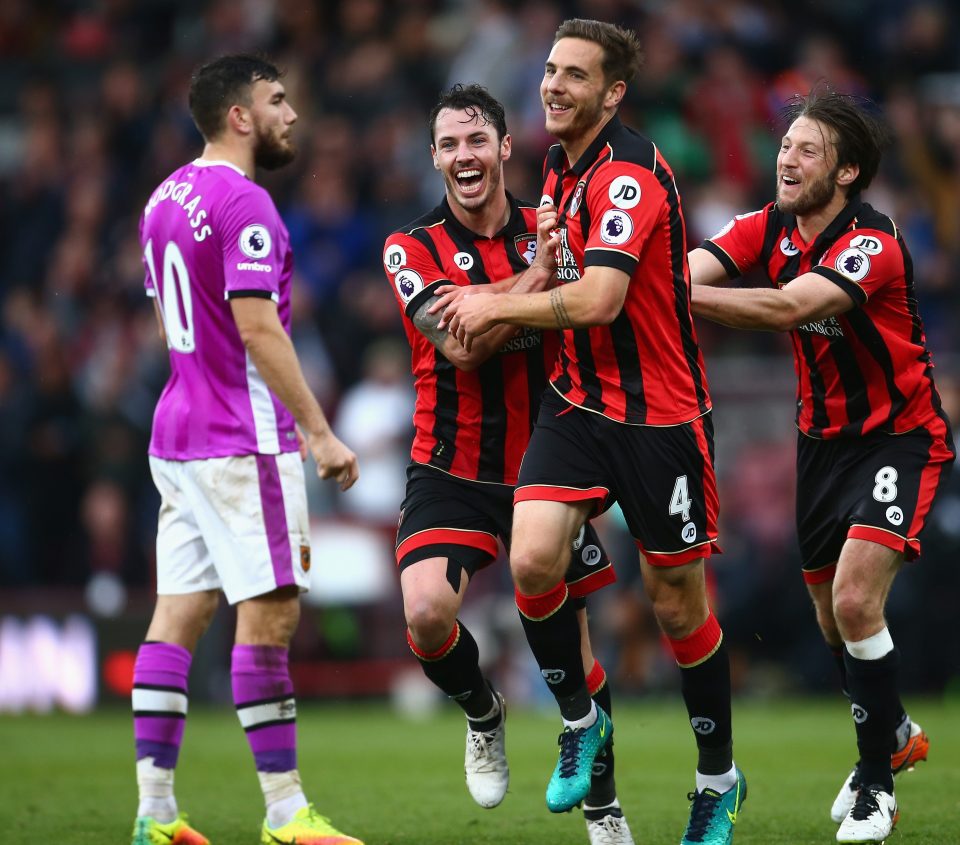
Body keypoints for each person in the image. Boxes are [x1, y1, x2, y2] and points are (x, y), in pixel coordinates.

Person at [440, 20, 745, 845]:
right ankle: (581, 716)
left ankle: (717, 779)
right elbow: (555, 275)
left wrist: (494, 303)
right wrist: (513, 283)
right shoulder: (558, 165)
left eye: (574, 75)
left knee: (677, 608)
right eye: (548, 70)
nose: (552, 86)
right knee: (532, 556)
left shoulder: (629, 175)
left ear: (613, 93)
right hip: (577, 403)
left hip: (662, 416)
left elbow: (603, 298)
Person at [688, 87, 955, 844]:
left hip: (898, 437)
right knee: (829, 619)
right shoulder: (765, 225)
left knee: (855, 601)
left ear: (846, 173)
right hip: (820, 442)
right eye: (785, 145)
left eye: (808, 149)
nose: (787, 157)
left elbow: (783, 308)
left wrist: (660, 293)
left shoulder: (872, 242)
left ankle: (876, 784)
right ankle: (894, 729)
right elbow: (691, 266)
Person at [383, 83, 634, 845]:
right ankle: (483, 711)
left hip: (545, 462)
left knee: (579, 658)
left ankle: (604, 812)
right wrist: (536, 278)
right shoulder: (409, 247)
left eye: (476, 141)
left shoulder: (550, 224)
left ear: (503, 149)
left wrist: (550, 267)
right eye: (450, 144)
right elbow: (460, 342)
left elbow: (602, 303)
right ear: (434, 157)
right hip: (450, 465)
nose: (465, 156)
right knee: (427, 615)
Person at [133, 55, 362, 845]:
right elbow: (256, 325)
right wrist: (318, 429)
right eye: (276, 99)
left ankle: (155, 815)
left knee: (177, 617)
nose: (291, 112)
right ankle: (286, 812)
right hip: (241, 435)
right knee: (269, 615)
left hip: (177, 432)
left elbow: (173, 322)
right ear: (240, 116)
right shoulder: (246, 200)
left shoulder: (163, 199)